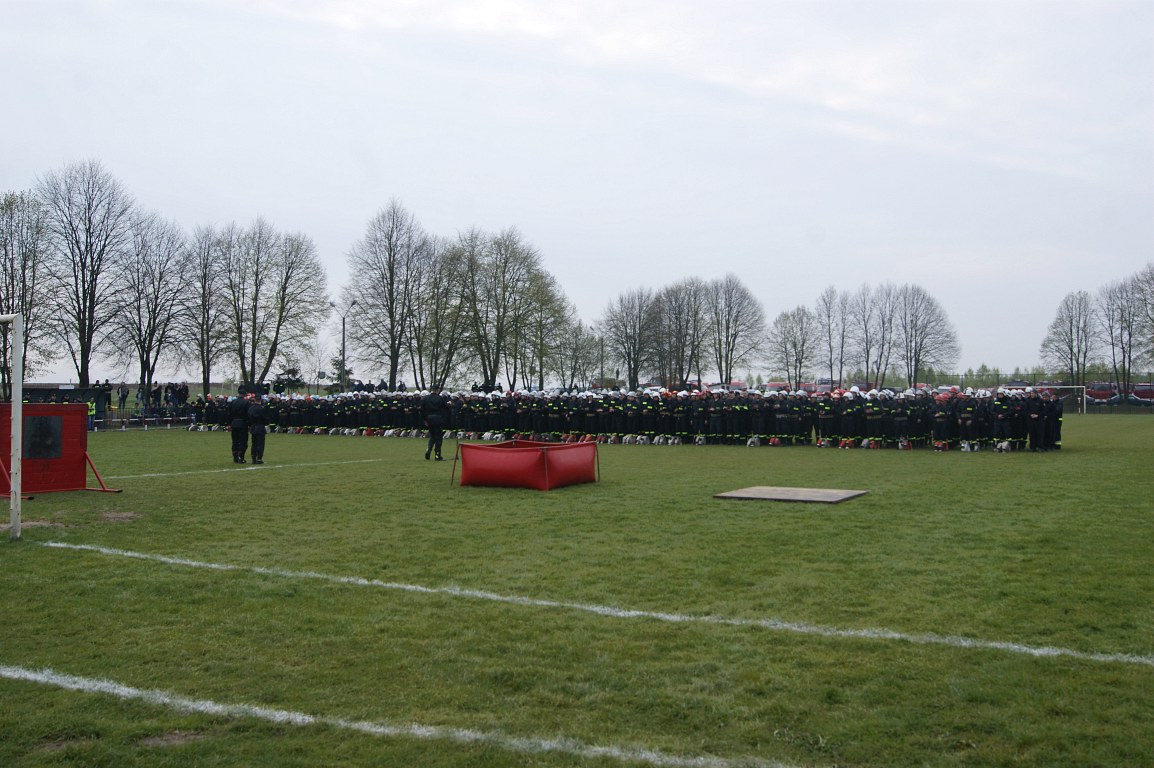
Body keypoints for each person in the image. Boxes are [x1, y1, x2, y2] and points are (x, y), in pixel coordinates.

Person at [420, 386, 449, 460]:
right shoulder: (440, 398)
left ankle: (428, 451)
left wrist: (425, 420)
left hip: (429, 418)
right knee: (438, 437)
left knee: (432, 436)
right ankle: (437, 455)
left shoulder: (426, 398)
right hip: (437, 418)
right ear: (437, 390)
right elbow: (446, 407)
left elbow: (422, 410)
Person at [227, 394, 250, 463]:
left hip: (234, 423)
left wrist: (229, 423)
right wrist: (249, 424)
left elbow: (229, 413)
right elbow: (248, 414)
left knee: (235, 441)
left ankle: (235, 457)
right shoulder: (246, 402)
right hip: (243, 424)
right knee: (243, 441)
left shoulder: (233, 402)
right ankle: (241, 457)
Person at [248, 395, 269, 464]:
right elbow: (265, 418)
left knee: (254, 443)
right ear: (260, 400)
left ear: (254, 399)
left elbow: (249, 417)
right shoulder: (262, 409)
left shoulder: (251, 408)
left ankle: (253, 458)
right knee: (260, 444)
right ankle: (259, 458)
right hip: (260, 427)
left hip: (253, 427)